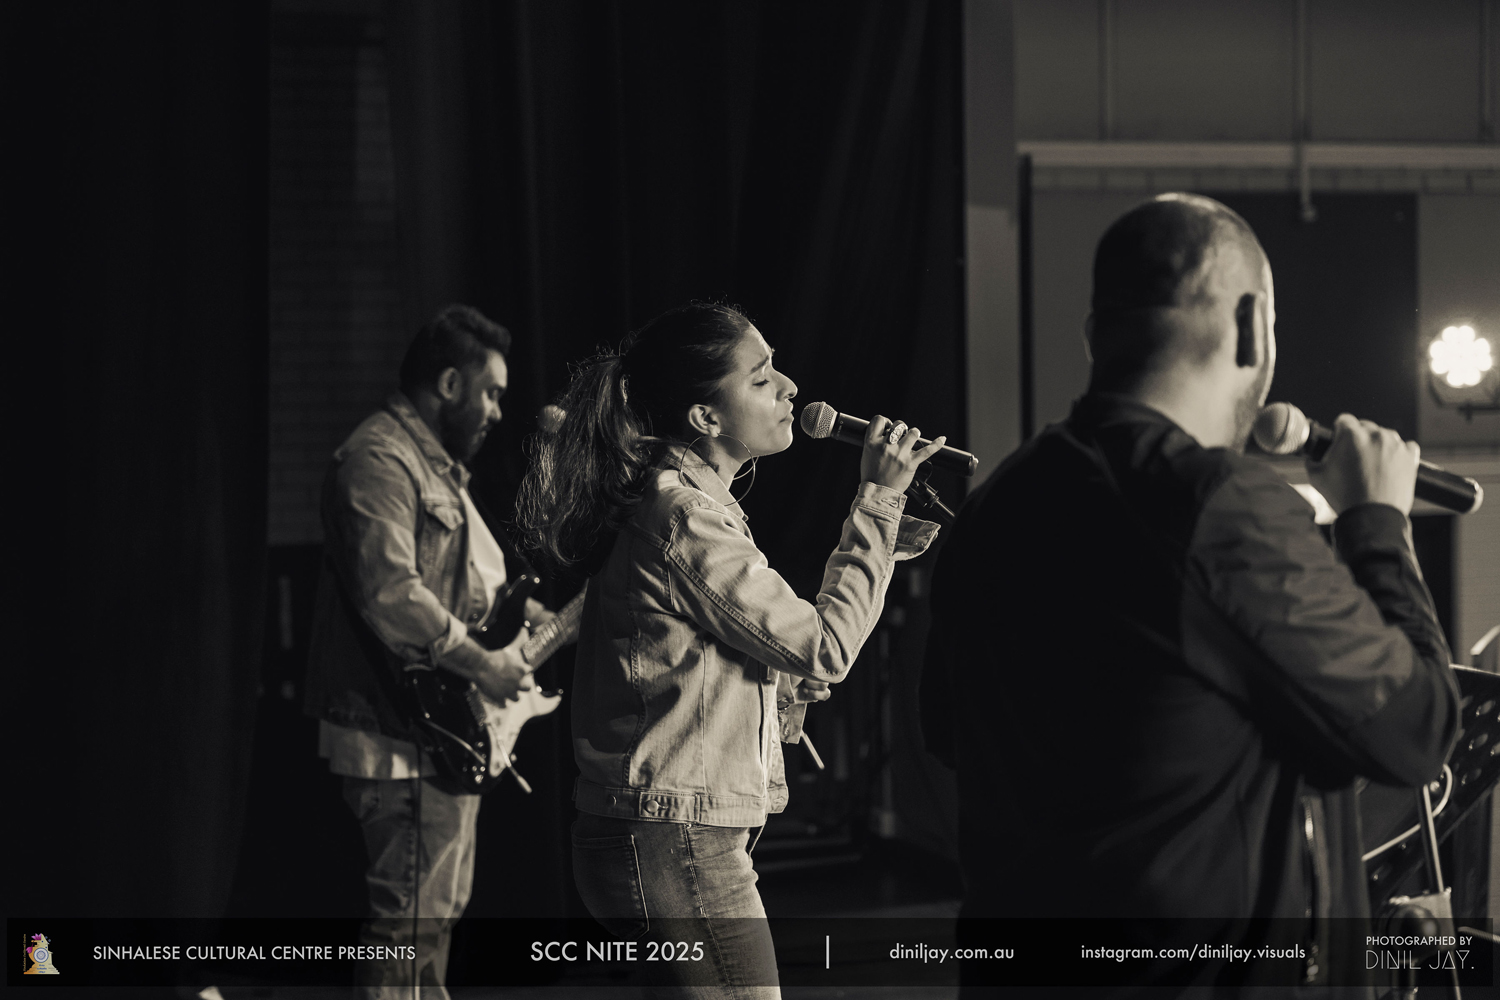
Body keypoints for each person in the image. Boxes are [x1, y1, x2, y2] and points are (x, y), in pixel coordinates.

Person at [924, 194, 1459, 991]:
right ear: (1251, 325)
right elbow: (1415, 731)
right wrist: (1377, 522)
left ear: (1095, 335)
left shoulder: (999, 502)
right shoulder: (1221, 507)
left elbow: (947, 732)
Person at [517, 301, 942, 997]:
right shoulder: (684, 515)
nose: (790, 389)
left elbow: (685, 665)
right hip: (675, 840)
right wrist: (877, 502)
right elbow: (825, 645)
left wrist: (781, 688)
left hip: (661, 834)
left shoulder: (683, 504)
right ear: (705, 417)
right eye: (762, 377)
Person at [304, 304, 542, 999]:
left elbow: (461, 590)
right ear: (449, 383)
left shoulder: (436, 468)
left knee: (430, 920)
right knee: (408, 925)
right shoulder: (378, 458)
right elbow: (391, 594)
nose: (498, 411)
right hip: (399, 731)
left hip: (433, 731)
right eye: (491, 393)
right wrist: (485, 665)